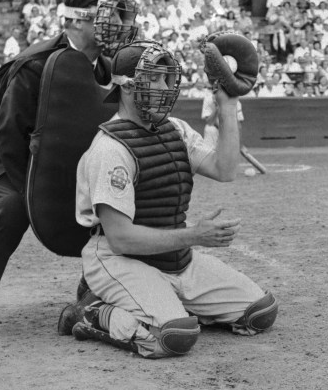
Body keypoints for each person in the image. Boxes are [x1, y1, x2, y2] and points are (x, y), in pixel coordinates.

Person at [0, 0, 139, 338]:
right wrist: (36, 194)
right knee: (12, 205)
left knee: (105, 198)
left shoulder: (103, 68)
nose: (118, 26)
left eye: (121, 18)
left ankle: (94, 288)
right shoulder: (37, 63)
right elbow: (8, 132)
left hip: (24, 148)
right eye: (108, 18)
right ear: (75, 22)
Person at [57, 41, 277, 358]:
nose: (166, 86)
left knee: (260, 312)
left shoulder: (175, 129)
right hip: (120, 259)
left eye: (167, 77)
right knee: (175, 336)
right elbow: (120, 239)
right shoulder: (110, 149)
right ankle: (91, 312)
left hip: (175, 259)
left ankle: (162, 301)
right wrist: (194, 235)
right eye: (156, 78)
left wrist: (227, 105)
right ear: (129, 86)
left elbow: (225, 168)